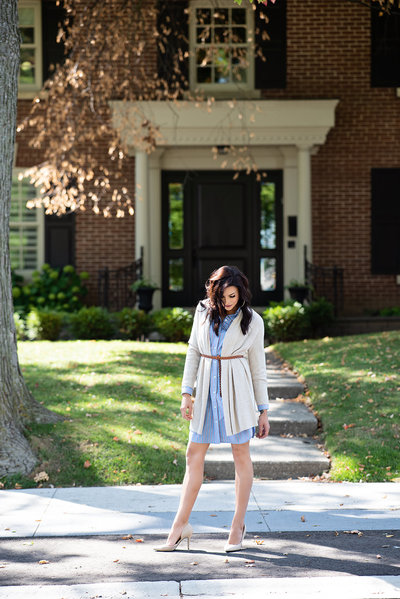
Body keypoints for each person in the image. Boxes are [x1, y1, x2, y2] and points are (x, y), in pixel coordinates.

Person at [155, 265, 270, 553]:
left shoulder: (252, 320)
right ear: (214, 293)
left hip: (238, 392)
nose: (228, 301)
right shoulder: (203, 311)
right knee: (193, 453)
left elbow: (258, 368)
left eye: (233, 295)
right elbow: (193, 350)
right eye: (223, 296)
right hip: (206, 391)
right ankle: (180, 526)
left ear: (241, 292)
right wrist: (186, 393)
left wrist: (263, 410)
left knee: (240, 454)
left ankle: (237, 525)